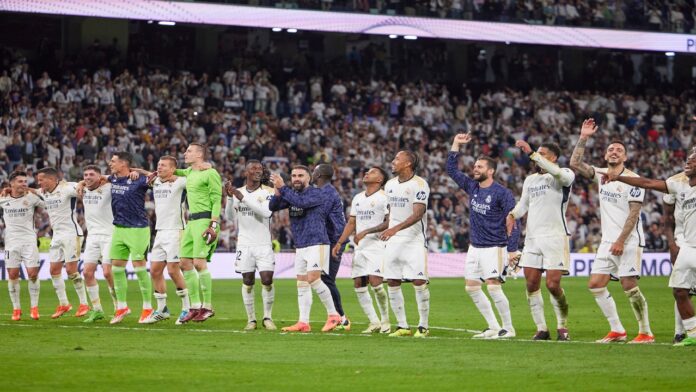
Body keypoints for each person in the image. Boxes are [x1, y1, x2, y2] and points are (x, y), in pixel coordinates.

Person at [570, 118, 653, 344]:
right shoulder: (601, 174)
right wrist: (584, 137)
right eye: (611, 149)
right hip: (608, 241)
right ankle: (617, 330)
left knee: (628, 284)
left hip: (629, 240)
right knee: (596, 284)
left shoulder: (634, 180)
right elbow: (575, 163)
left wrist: (620, 241)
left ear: (625, 157)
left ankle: (645, 332)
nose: (614, 151)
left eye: (619, 150)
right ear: (606, 156)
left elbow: (634, 214)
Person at [604, 149, 696, 347]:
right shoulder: (679, 185)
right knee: (680, 291)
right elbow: (647, 183)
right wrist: (618, 178)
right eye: (687, 159)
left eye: (693, 159)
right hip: (688, 246)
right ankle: (693, 334)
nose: (687, 162)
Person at [446, 134, 520, 339]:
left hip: (495, 247)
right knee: (472, 288)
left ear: (490, 171)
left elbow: (514, 221)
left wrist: (512, 249)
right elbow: (451, 170)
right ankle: (493, 327)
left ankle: (509, 328)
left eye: (479, 167)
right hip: (475, 247)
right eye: (475, 166)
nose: (475, 169)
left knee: (493, 287)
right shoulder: (473, 187)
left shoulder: (502, 193)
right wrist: (456, 144)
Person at [506, 140, 573, 341]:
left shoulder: (565, 174)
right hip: (533, 239)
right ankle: (542, 328)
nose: (537, 157)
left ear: (553, 158)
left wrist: (532, 153)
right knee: (531, 283)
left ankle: (562, 326)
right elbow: (523, 205)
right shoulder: (530, 180)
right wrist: (511, 215)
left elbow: (559, 174)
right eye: (538, 154)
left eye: (543, 154)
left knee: (552, 285)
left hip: (555, 237)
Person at [268, 166, 342, 333]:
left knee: (313, 279)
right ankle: (303, 322)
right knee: (302, 283)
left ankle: (333, 315)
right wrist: (277, 189)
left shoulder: (317, 193)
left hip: (317, 242)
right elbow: (272, 206)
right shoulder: (292, 195)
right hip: (300, 244)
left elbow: (301, 203)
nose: (296, 178)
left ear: (309, 178)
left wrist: (283, 187)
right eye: (293, 175)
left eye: (300, 175)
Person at [333, 166, 391, 333]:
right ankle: (374, 322)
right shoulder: (358, 197)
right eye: (367, 171)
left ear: (380, 180)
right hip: (360, 248)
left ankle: (385, 321)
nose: (366, 173)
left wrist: (366, 231)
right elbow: (351, 223)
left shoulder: (384, 197)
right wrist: (339, 243)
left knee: (376, 284)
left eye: (372, 172)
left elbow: (389, 222)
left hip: (377, 245)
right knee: (359, 283)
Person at [380, 151, 431, 338]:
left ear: (408, 163)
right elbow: (391, 212)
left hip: (414, 240)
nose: (393, 162)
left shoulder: (420, 184)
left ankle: (423, 326)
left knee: (419, 281)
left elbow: (418, 214)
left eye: (397, 160)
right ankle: (402, 326)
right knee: (392, 281)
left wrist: (395, 229)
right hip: (393, 241)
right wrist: (387, 229)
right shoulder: (390, 185)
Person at [138, 156, 191, 325]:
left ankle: (187, 309)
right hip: (160, 232)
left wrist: (183, 176)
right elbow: (147, 174)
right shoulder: (156, 182)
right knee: (154, 270)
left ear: (173, 169)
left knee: (173, 270)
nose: (159, 168)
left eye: (163, 166)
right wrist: (138, 172)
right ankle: (162, 310)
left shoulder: (181, 182)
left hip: (176, 231)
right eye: (158, 164)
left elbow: (195, 179)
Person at [225, 160, 277, 330]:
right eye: (253, 169)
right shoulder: (237, 192)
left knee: (267, 279)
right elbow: (230, 217)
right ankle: (251, 319)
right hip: (244, 244)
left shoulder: (268, 192)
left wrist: (243, 198)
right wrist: (228, 198)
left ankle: (267, 317)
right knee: (248, 280)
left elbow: (267, 212)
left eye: (260, 169)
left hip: (263, 243)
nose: (258, 171)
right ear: (246, 172)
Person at [174, 143, 222, 323]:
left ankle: (207, 307)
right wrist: (145, 171)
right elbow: (173, 171)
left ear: (200, 154)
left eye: (189, 151)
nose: (185, 153)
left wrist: (214, 223)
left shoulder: (210, 173)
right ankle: (194, 306)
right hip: (191, 222)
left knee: (199, 263)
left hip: (204, 220)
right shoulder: (189, 172)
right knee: (184, 262)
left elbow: (217, 199)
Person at [107, 152, 154, 324]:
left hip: (138, 229)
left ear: (124, 163)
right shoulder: (112, 179)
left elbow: (158, 177)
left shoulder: (139, 179)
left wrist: (140, 171)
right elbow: (96, 178)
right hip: (119, 228)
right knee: (117, 268)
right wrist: (83, 182)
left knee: (139, 267)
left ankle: (148, 308)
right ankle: (122, 307)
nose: (110, 163)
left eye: (113, 161)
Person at [36, 167, 89, 319]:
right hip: (57, 236)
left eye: (41, 180)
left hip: (72, 234)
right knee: (54, 270)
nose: (39, 183)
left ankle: (84, 304)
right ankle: (64, 303)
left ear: (51, 179)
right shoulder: (44, 192)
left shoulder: (66, 188)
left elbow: (83, 184)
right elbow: (33, 191)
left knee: (71, 271)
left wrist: (80, 183)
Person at [1, 171, 44, 320]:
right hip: (11, 242)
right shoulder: (3, 198)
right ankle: (16, 309)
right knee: (13, 275)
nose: (24, 184)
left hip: (28, 241)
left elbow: (48, 203)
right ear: (11, 183)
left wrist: (34, 191)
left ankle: (34, 308)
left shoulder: (31, 198)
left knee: (33, 274)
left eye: (25, 181)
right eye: (20, 181)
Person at [78, 165, 116, 323]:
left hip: (109, 235)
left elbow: (118, 178)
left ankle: (119, 306)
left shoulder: (109, 187)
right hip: (92, 237)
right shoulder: (83, 189)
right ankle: (97, 310)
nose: (87, 177)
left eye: (91, 175)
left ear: (100, 177)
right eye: (85, 175)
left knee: (107, 272)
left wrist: (104, 177)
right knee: (87, 273)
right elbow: (62, 184)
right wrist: (81, 183)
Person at [314, 163, 350, 330]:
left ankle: (342, 318)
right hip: (329, 240)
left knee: (327, 279)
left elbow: (318, 214)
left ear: (319, 175)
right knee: (324, 279)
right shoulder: (326, 191)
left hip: (334, 240)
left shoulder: (327, 193)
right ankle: (338, 316)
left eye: (314, 171)